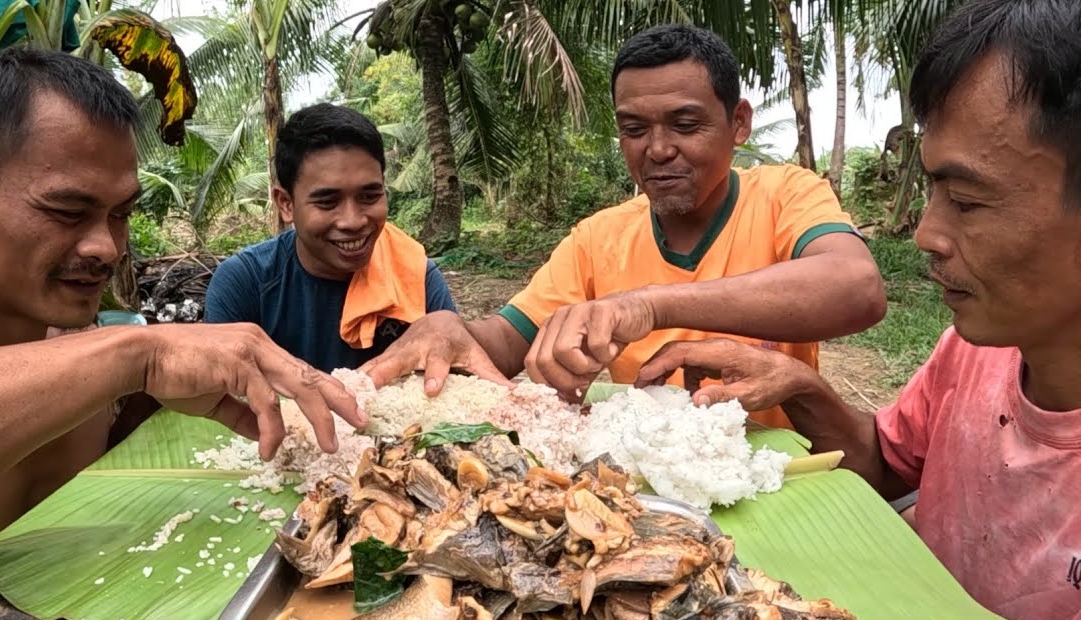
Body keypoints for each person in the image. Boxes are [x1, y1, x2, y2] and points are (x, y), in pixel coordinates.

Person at [0, 48, 364, 620]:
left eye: (120, 215)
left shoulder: (88, 369)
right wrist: (133, 356)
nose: (106, 247)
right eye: (67, 210)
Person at [634, 1, 1081, 620]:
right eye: (933, 188)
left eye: (965, 201)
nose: (926, 233)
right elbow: (885, 467)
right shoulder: (975, 351)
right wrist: (804, 388)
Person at [362, 24, 886, 429]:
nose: (656, 150)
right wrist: (454, 333)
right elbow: (504, 339)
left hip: (775, 473)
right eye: (634, 129)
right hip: (640, 486)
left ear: (739, 122)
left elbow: (857, 289)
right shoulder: (598, 239)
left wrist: (648, 305)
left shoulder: (785, 196)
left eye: (685, 124)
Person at [204, 103, 458, 373]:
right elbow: (218, 395)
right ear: (286, 204)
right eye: (327, 202)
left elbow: (451, 379)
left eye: (370, 196)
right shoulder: (245, 284)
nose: (353, 221)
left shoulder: (415, 275)